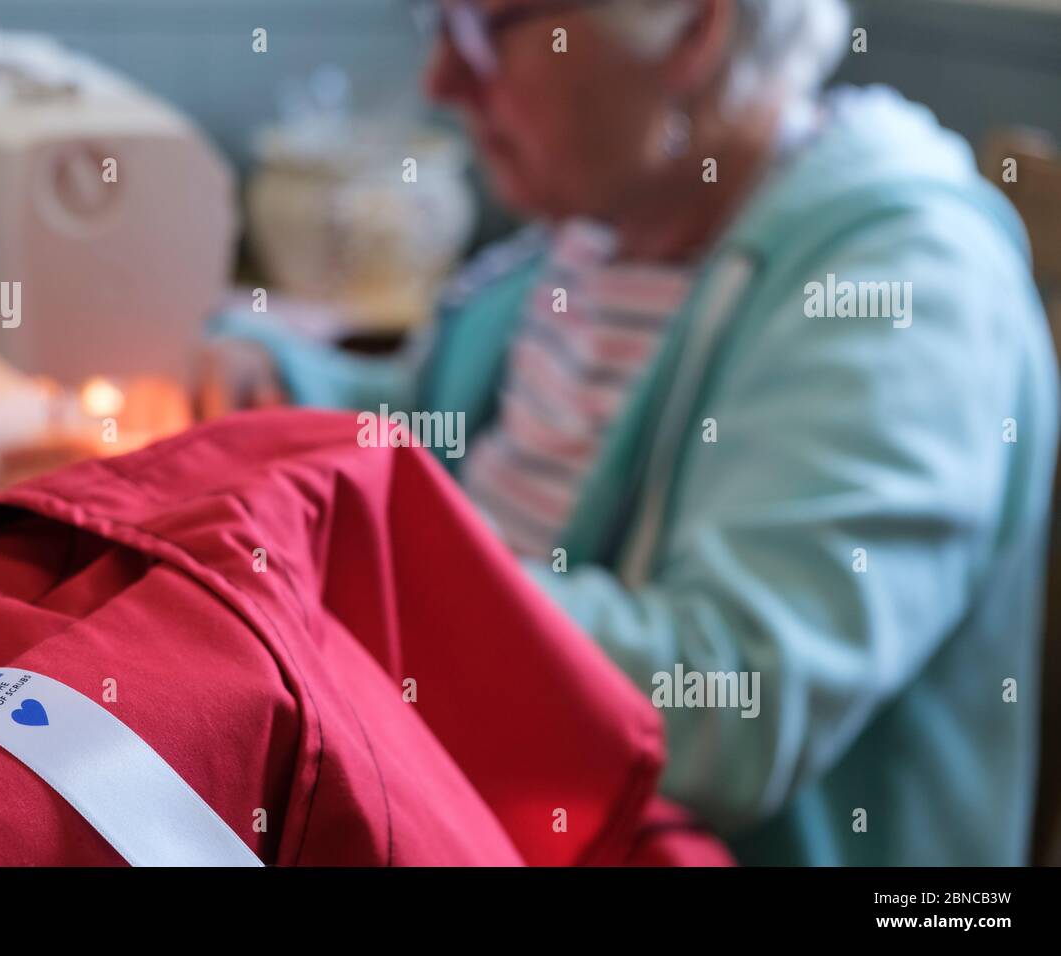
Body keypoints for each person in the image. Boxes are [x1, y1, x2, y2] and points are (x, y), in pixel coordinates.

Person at [200, 0, 1059, 865]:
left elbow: (730, 700)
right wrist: (276, 385)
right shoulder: (604, 231)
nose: (442, 81)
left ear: (697, 29)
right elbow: (442, 424)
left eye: (487, 28)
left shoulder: (906, 285)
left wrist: (362, 567)